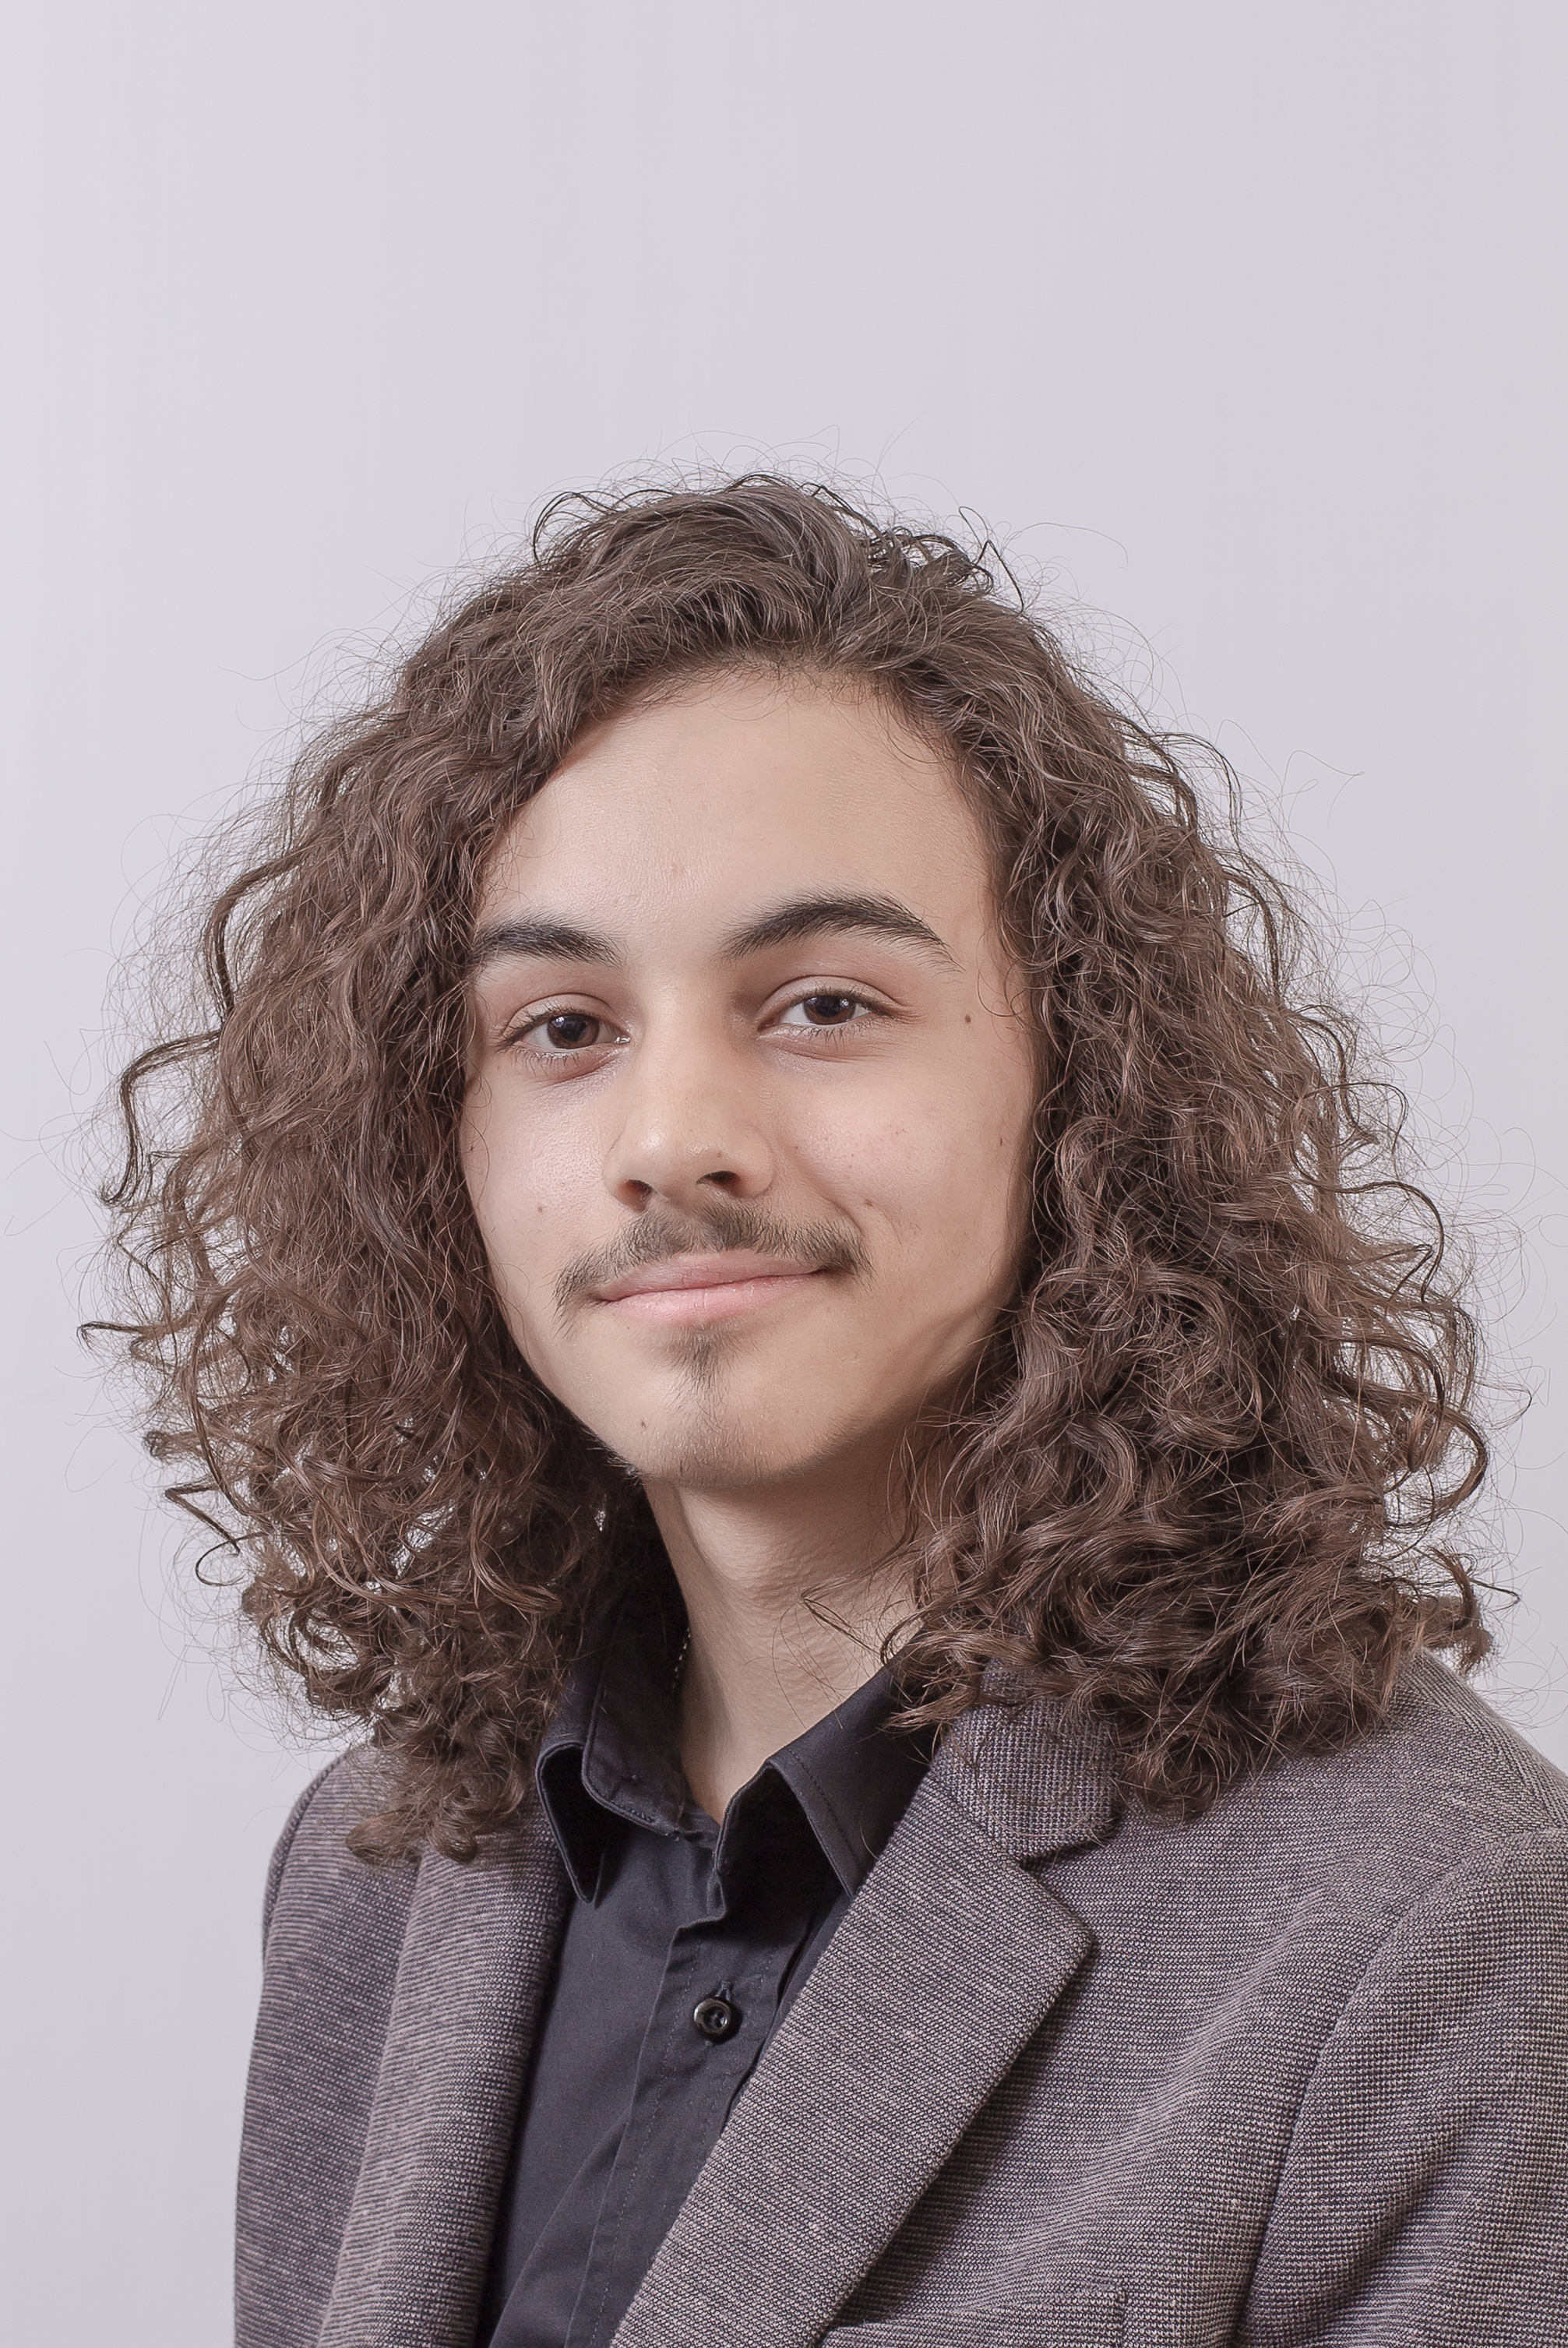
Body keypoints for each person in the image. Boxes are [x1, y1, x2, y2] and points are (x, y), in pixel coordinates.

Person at [102, 478, 1568, 2348]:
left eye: (818, 1004)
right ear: (429, 1146)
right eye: (561, 1027)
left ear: (1079, 1083)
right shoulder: (371, 1872)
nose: (670, 1140)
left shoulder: (1437, 1930)